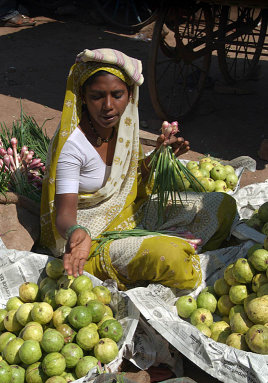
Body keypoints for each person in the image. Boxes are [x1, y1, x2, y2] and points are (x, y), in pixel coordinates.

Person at [40, 48, 237, 291]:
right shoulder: (72, 148)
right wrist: (76, 231)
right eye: (97, 96)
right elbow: (63, 213)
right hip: (93, 241)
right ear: (83, 97)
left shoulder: (124, 129)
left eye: (117, 95)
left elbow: (132, 180)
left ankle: (165, 255)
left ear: (130, 95)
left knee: (222, 204)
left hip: (134, 214)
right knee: (170, 257)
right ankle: (148, 258)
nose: (108, 106)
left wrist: (160, 156)